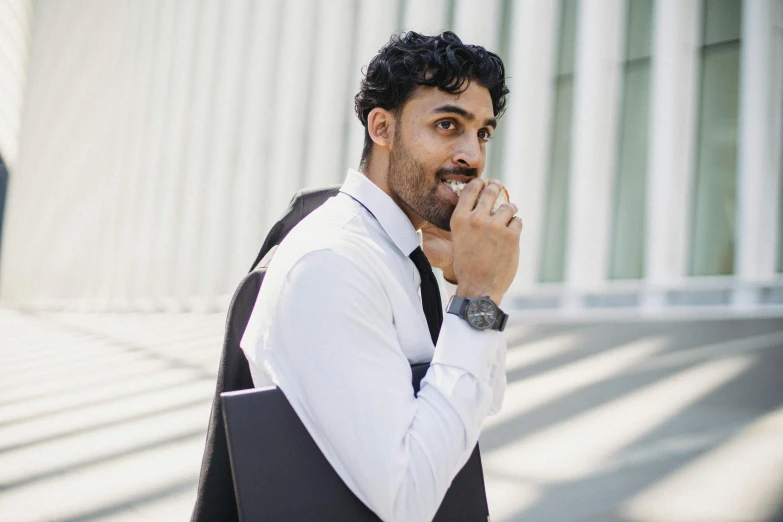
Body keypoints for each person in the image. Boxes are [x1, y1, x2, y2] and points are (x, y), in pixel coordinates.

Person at [241, 31, 521, 522]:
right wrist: (481, 295)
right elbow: (406, 499)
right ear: (382, 127)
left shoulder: (405, 251)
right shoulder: (334, 263)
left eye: (482, 133)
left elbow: (479, 404)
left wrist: (463, 287)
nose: (472, 156)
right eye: (447, 124)